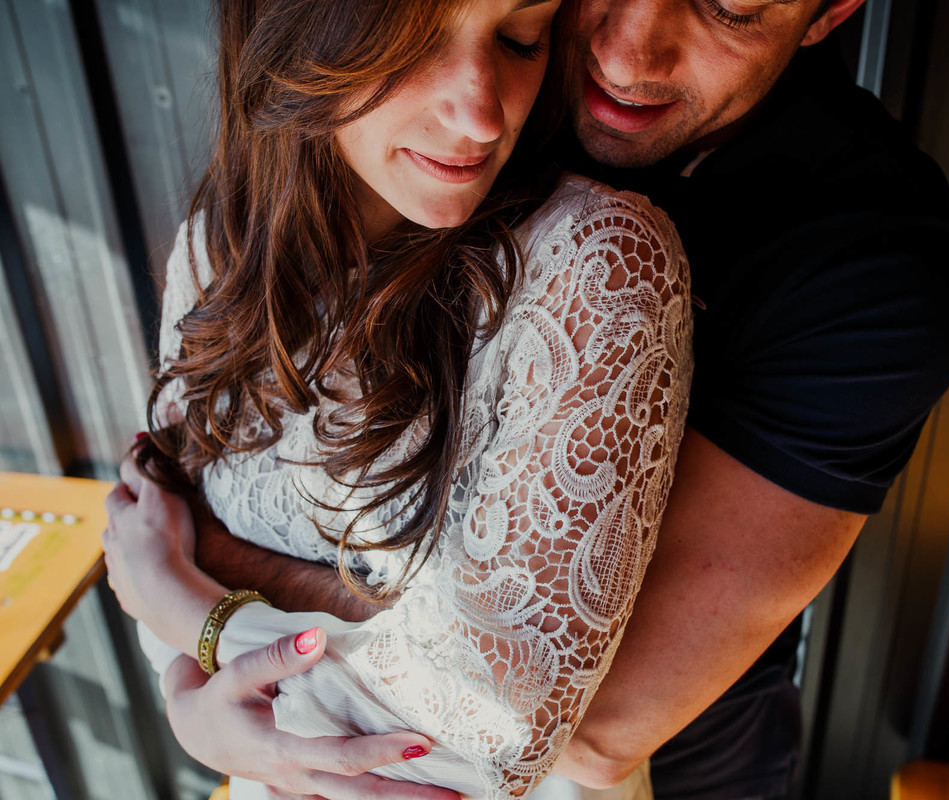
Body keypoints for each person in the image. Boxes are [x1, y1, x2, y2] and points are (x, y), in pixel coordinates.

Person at [115, 0, 949, 797]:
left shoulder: (875, 262)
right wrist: (195, 707)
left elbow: (576, 723)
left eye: (731, 7)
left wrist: (195, 600)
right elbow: (163, 498)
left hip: (673, 769)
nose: (625, 53)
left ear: (831, 9)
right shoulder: (258, 220)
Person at [101, 0, 694, 798]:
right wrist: (188, 708)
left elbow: (489, 730)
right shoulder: (220, 245)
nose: (481, 115)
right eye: (412, 43)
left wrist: (195, 612)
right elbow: (143, 528)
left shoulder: (595, 270)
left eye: (521, 39)